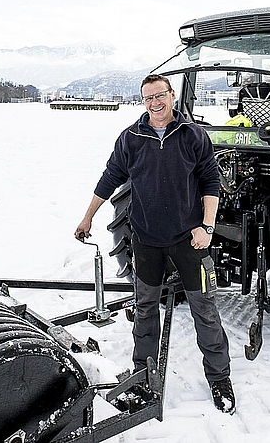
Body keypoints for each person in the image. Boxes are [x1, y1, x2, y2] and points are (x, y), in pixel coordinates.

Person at [74, 74, 235, 414]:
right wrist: (87, 217)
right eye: (148, 98)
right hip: (146, 240)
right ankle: (143, 376)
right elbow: (109, 178)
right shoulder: (131, 138)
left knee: (204, 312)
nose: (154, 103)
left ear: (171, 96)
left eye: (159, 95)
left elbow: (209, 181)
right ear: (143, 101)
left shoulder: (193, 136)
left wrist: (206, 226)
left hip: (190, 241)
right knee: (145, 311)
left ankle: (220, 379)